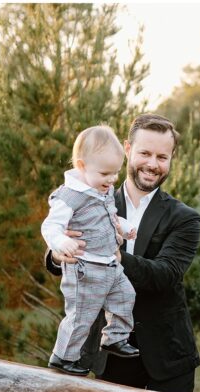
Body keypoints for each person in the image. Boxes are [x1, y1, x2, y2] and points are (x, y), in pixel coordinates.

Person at [45, 112, 200, 392]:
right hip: (109, 358)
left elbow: (166, 275)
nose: (152, 164)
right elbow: (56, 250)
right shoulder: (89, 199)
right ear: (127, 150)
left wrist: (111, 256)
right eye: (145, 153)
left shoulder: (185, 218)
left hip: (167, 357)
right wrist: (58, 255)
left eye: (162, 157)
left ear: (171, 159)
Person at [41, 124, 140, 376]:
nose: (111, 180)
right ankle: (63, 356)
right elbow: (50, 226)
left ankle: (114, 337)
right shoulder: (69, 197)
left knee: (126, 295)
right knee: (81, 316)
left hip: (109, 263)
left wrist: (125, 228)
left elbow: (111, 216)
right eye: (105, 173)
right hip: (85, 268)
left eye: (116, 173)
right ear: (83, 166)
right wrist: (61, 243)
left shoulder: (101, 190)